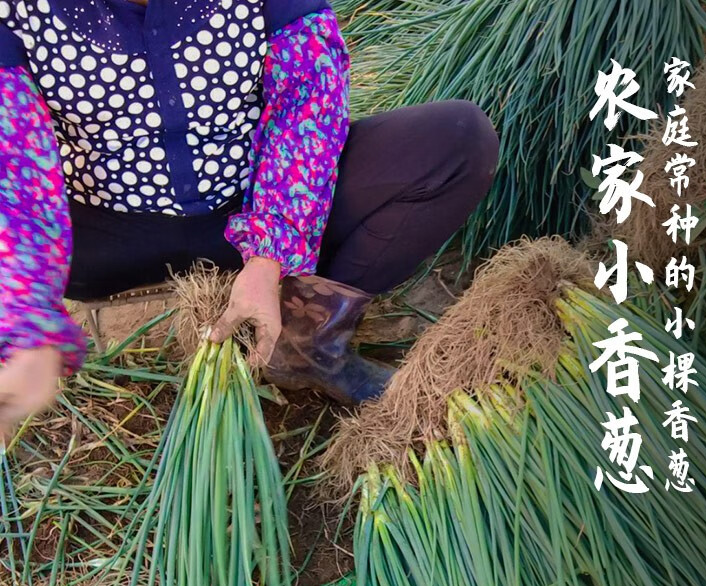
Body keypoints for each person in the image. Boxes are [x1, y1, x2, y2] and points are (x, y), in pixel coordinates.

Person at [0, 0, 498, 438]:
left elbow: (308, 99)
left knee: (456, 141)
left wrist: (268, 253)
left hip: (253, 203)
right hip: (111, 234)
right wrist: (25, 317)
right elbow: (13, 159)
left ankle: (307, 342)